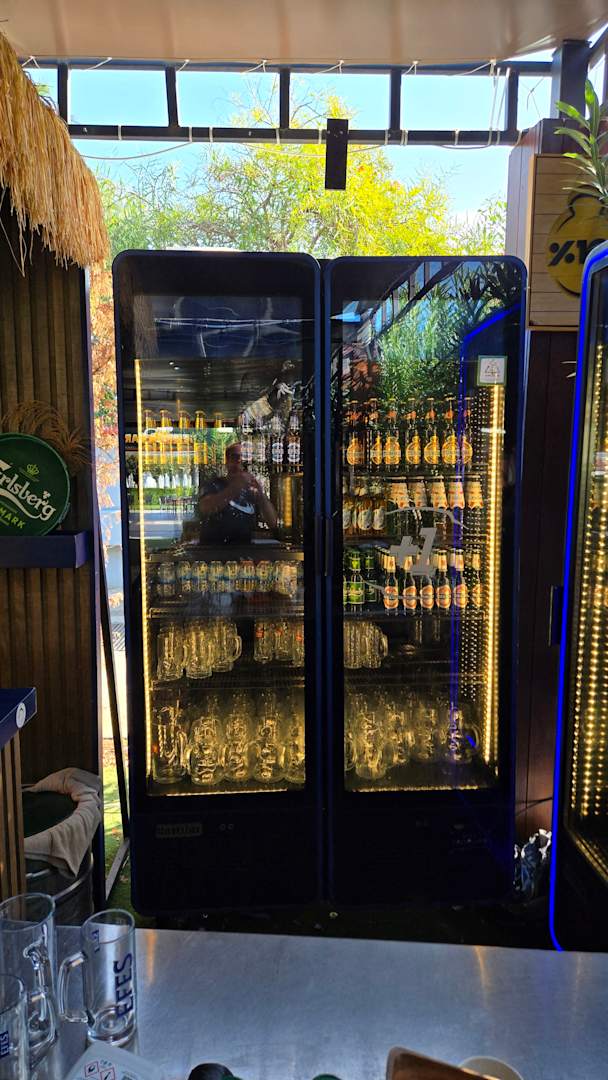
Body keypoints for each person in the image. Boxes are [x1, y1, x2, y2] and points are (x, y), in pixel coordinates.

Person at [198, 443, 277, 544]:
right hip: (214, 550)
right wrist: (236, 486)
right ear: (226, 461)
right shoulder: (214, 484)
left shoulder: (251, 490)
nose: (239, 461)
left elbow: (273, 523)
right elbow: (205, 507)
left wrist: (261, 495)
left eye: (244, 458)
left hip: (244, 550)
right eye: (235, 457)